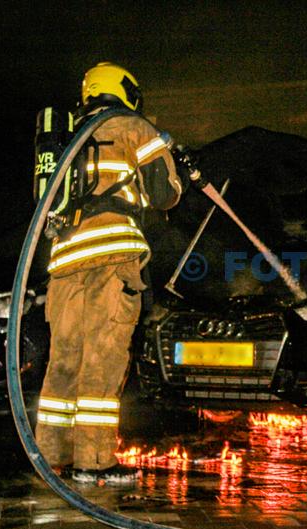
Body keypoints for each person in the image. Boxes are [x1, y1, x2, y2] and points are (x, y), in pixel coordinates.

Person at [34, 62, 206, 484]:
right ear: (126, 89)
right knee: (102, 361)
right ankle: (94, 464)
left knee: (63, 361)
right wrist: (173, 163)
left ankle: (49, 457)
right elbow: (164, 195)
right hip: (112, 259)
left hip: (64, 262)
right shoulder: (132, 127)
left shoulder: (67, 136)